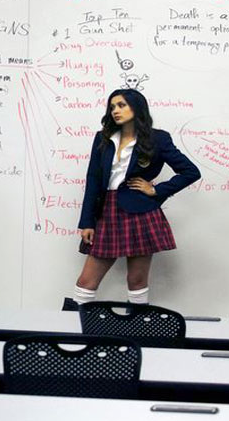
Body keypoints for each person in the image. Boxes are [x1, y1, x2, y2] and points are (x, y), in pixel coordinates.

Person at [73, 89, 200, 306]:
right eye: (112, 107)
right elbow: (93, 179)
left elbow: (191, 172)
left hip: (140, 212)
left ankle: (137, 324)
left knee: (137, 280)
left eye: (121, 105)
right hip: (107, 211)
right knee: (86, 281)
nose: (115, 111)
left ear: (136, 107)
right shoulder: (103, 138)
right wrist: (87, 222)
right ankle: (72, 323)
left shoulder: (158, 139)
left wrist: (157, 190)